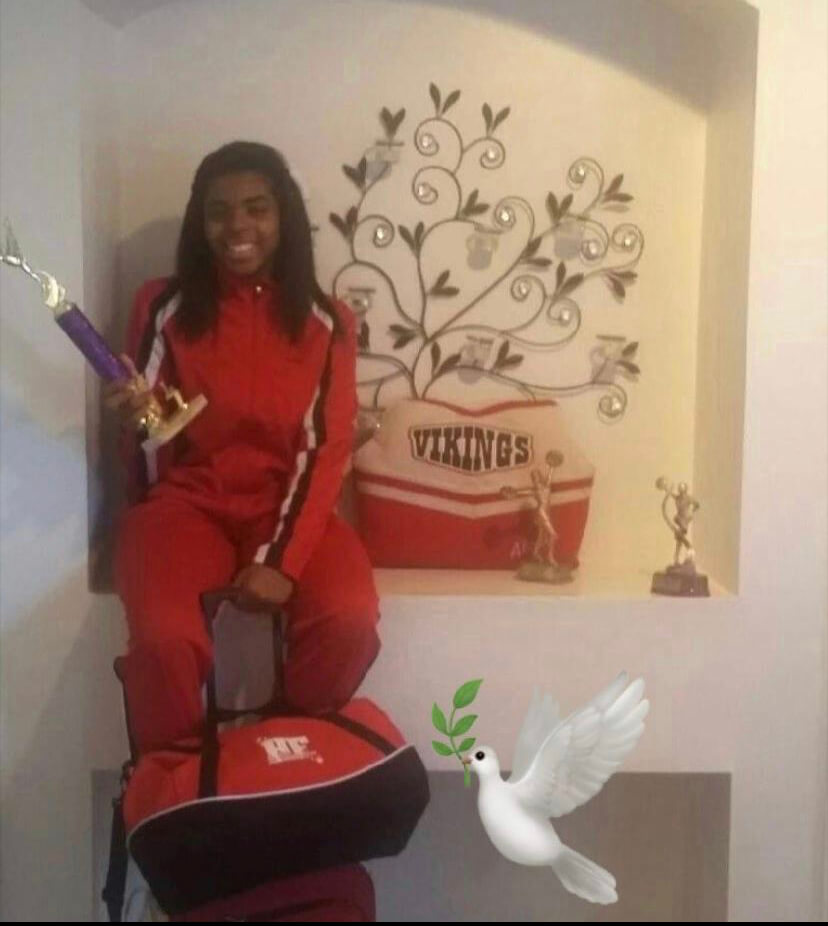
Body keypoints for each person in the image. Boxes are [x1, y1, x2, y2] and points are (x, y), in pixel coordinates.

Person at [105, 141, 380, 755]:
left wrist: (280, 562)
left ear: (283, 218)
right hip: (186, 507)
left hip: (291, 508)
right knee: (164, 643)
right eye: (219, 211)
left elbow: (326, 448)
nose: (238, 227)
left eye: (257, 208)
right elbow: (153, 442)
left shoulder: (328, 321)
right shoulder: (162, 306)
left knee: (349, 622)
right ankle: (173, 781)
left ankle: (282, 757)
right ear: (199, 223)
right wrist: (137, 425)